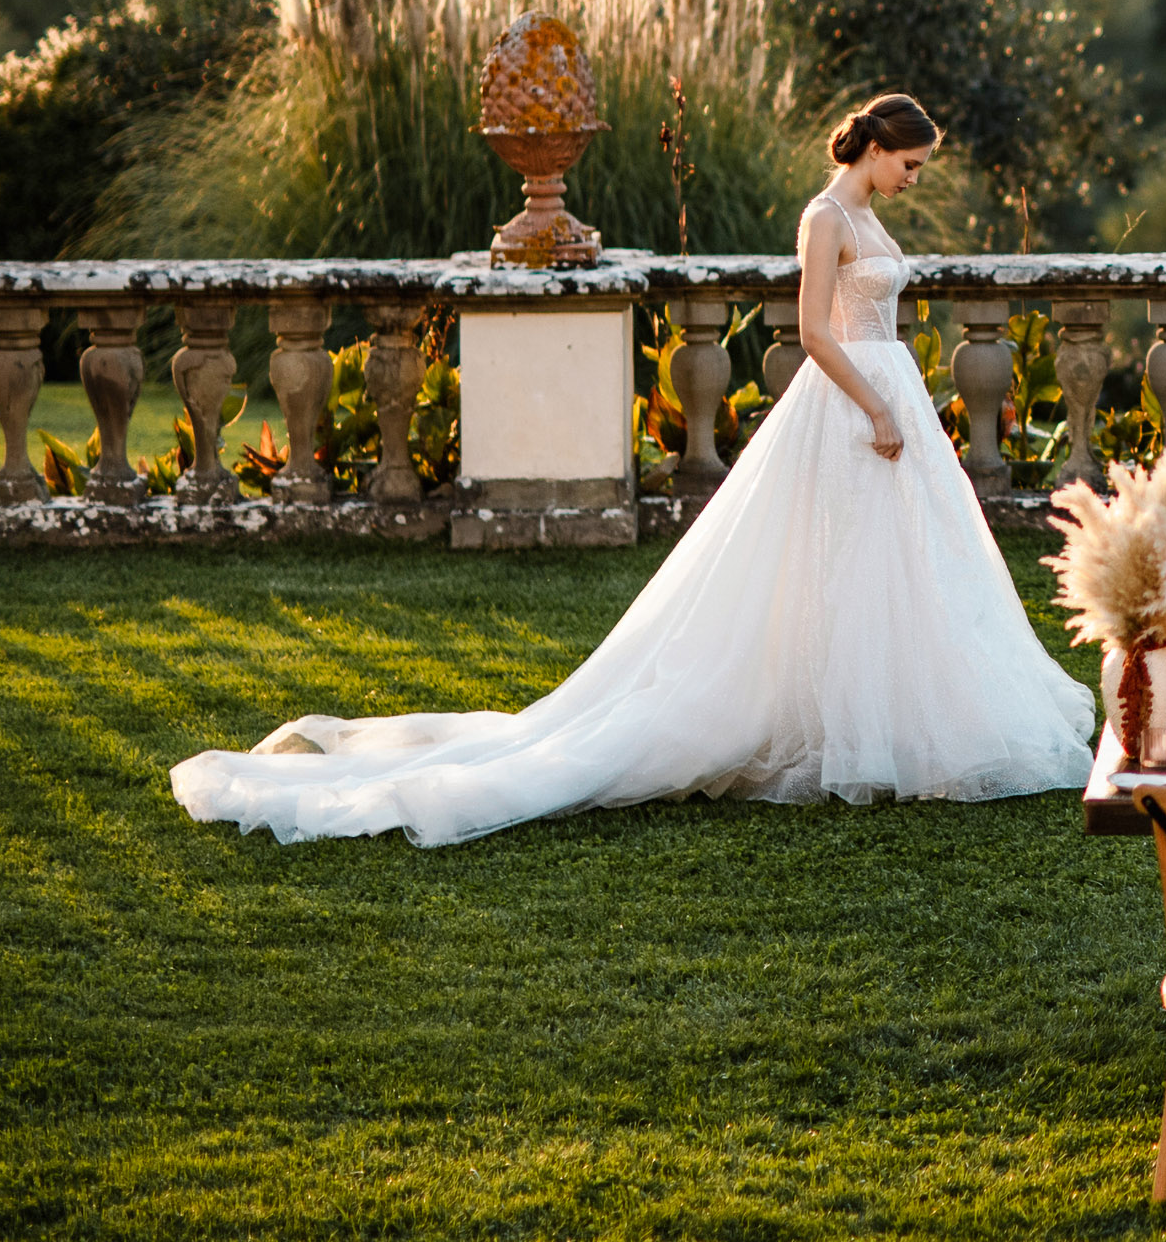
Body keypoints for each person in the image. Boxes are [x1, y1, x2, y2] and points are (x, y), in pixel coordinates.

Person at [172, 93, 1100, 846]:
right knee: (837, 559)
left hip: (885, 398)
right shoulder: (827, 218)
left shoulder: (863, 213)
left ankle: (899, 717)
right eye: (911, 163)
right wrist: (876, 408)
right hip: (853, 404)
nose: (913, 178)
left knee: (894, 569)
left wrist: (898, 401)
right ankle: (837, 724)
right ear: (878, 147)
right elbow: (814, 330)